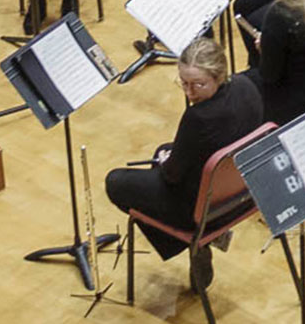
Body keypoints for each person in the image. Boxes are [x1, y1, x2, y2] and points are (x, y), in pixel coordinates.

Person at [103, 38, 263, 289]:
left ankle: (195, 241)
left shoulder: (198, 117)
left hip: (201, 209)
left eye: (198, 84)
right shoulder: (246, 86)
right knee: (161, 151)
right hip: (240, 196)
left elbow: (172, 176)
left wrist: (167, 162)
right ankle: (201, 243)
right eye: (184, 83)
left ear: (219, 76)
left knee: (115, 182)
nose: (189, 93)